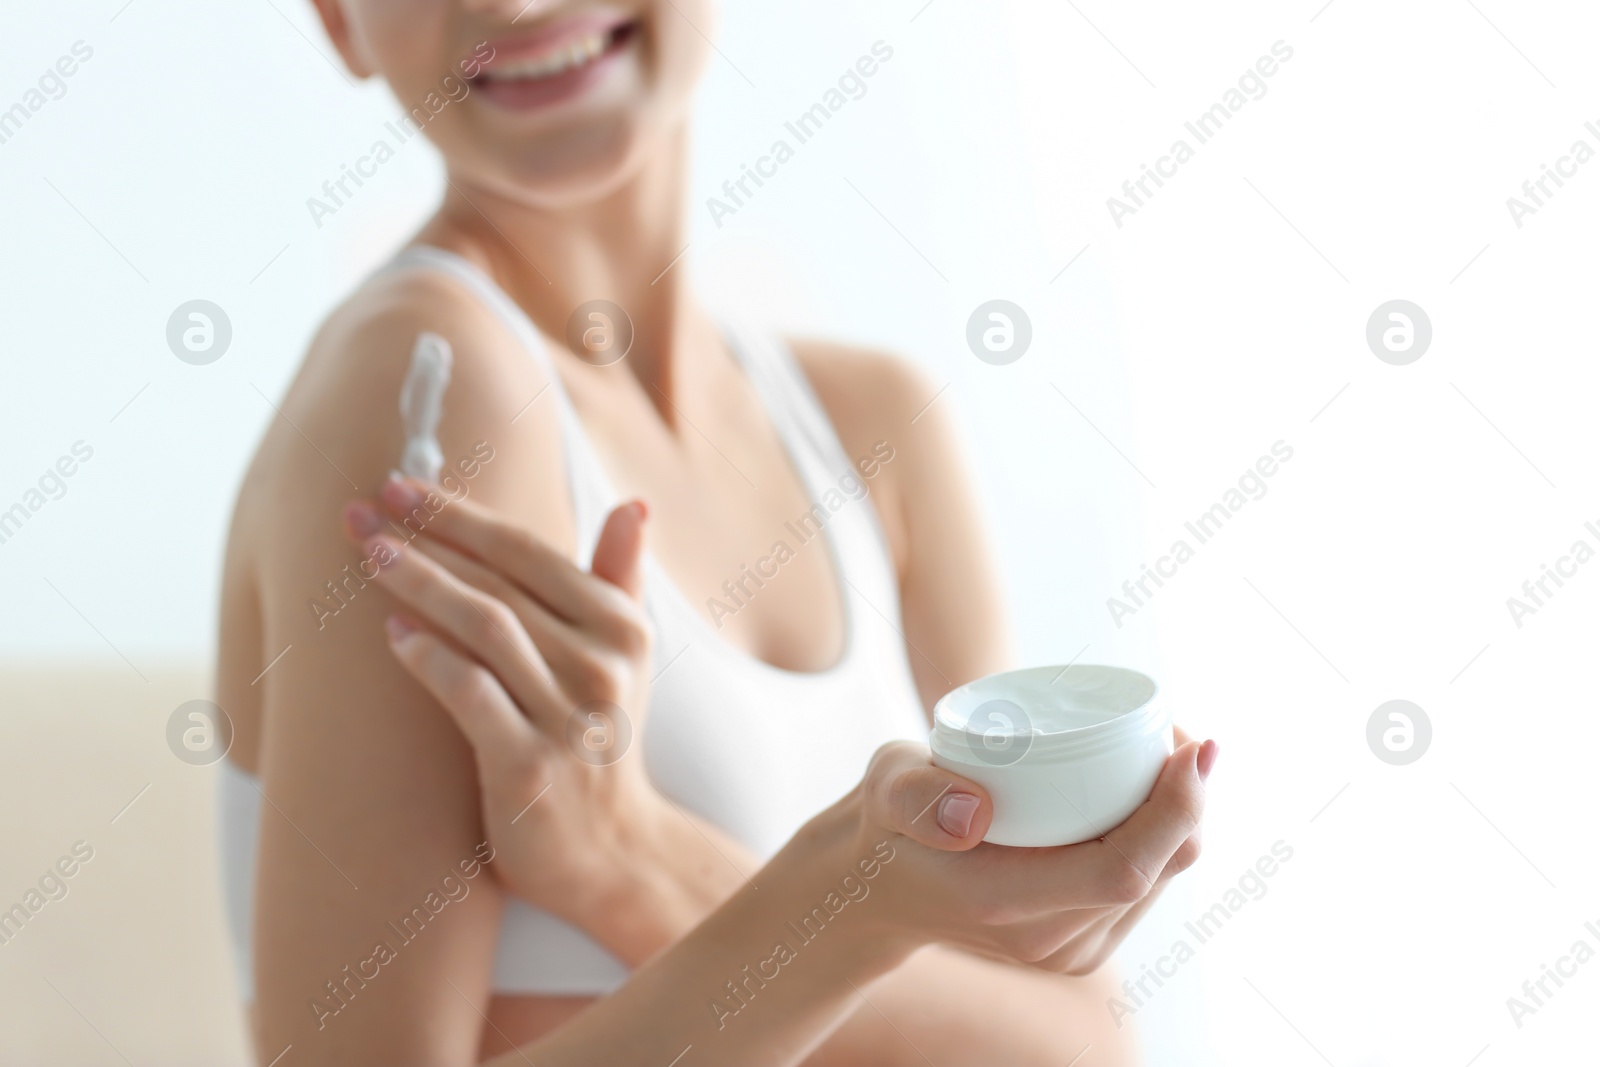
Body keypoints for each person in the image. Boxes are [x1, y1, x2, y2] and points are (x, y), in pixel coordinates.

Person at [214, 2, 1216, 1063]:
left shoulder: (874, 425)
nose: (508, 5)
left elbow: (1079, 1037)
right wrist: (846, 899)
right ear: (338, 22)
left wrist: (625, 853)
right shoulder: (427, 383)